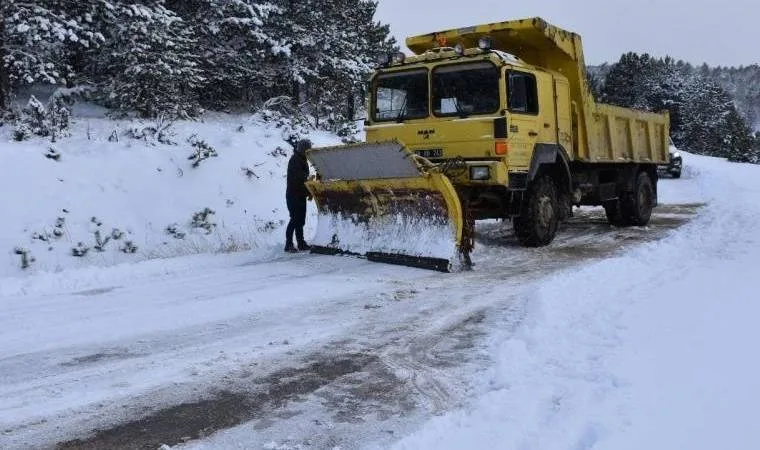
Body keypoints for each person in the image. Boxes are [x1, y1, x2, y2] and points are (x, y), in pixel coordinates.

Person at [285, 139, 312, 252]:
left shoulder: (302, 159)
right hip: (293, 195)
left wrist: (308, 191)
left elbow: (303, 180)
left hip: (300, 194)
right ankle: (288, 244)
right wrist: (309, 184)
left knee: (300, 220)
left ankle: (301, 243)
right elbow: (300, 178)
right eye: (308, 149)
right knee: (295, 219)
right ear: (303, 149)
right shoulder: (295, 160)